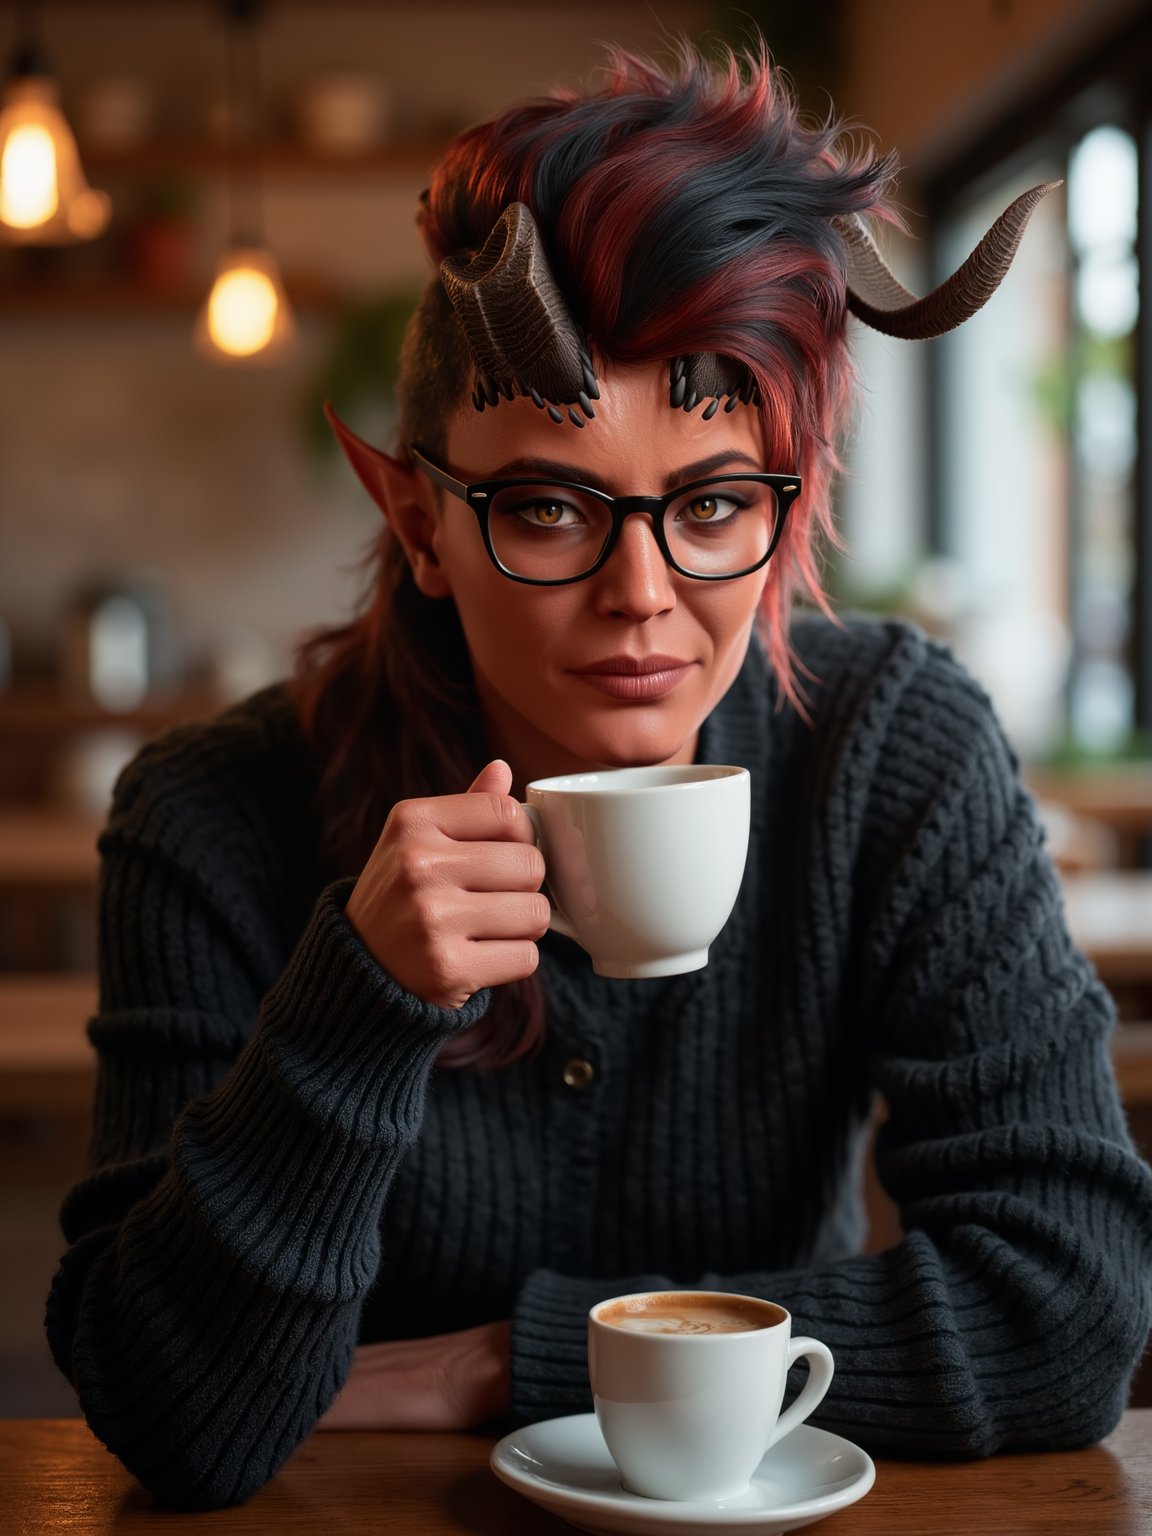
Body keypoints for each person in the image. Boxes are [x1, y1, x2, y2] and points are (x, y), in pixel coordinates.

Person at [47, 39, 1152, 1511]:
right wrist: (357, 1003)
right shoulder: (212, 816)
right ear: (421, 520)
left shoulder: (889, 745)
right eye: (552, 507)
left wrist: (512, 1360)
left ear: (788, 494)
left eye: (708, 504)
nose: (643, 593)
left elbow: (1069, 1310)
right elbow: (171, 1417)